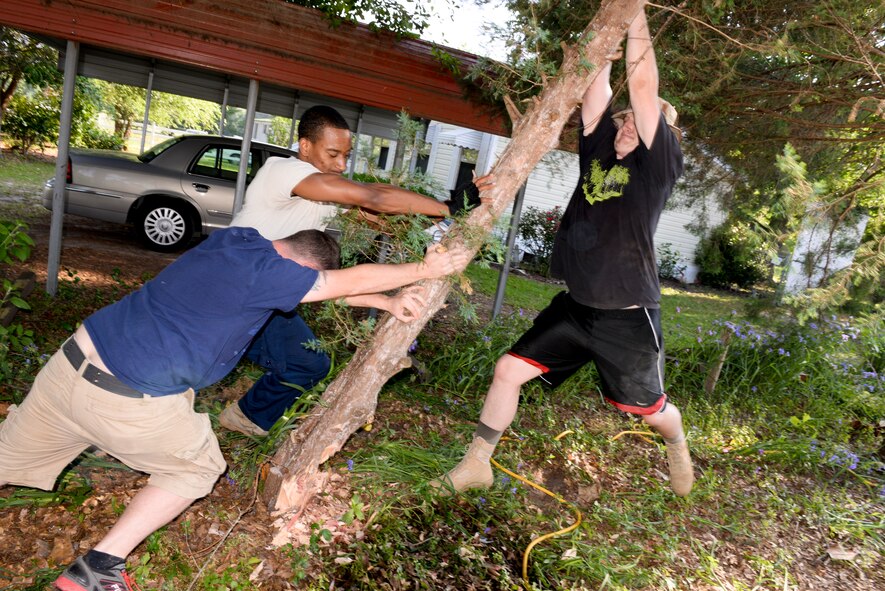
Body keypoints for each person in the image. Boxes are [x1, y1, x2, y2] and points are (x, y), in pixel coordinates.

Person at [0, 226, 471, 591]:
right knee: (198, 467)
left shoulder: (236, 242)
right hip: (125, 399)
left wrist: (386, 302)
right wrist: (422, 272)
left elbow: (325, 289)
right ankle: (97, 570)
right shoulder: (272, 274)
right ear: (294, 265)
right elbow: (334, 282)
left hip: (67, 369)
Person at [430, 5, 694, 498]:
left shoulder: (657, 168)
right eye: (625, 120)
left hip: (628, 315)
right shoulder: (598, 149)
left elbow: (643, 90)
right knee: (508, 370)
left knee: (647, 410)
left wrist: (636, 18)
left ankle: (676, 441)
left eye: (641, 119)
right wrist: (605, 40)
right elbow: (595, 91)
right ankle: (475, 465)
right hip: (577, 307)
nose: (630, 124)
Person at [220, 105, 493, 437]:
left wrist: (455, 205)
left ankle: (244, 420)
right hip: (227, 288)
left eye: (346, 156)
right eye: (333, 153)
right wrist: (448, 208)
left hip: (267, 296)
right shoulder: (282, 172)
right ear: (305, 146)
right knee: (199, 360)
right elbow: (375, 197)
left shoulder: (325, 199)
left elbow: (392, 220)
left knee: (309, 364)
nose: (341, 165)